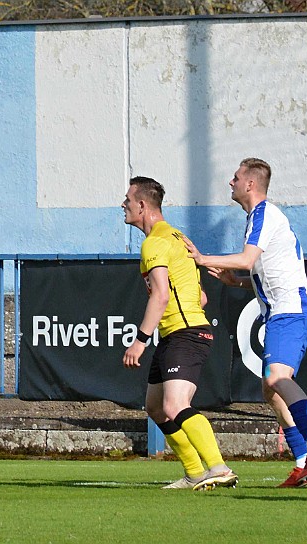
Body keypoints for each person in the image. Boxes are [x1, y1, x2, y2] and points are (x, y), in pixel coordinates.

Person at [187, 158, 307, 487]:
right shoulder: (260, 217)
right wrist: (235, 282)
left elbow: (247, 260)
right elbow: (266, 271)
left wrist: (202, 258)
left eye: (236, 177)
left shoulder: (265, 214)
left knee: (277, 377)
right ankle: (305, 464)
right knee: (270, 388)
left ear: (250, 184)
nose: (231, 182)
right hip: (284, 310)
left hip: (289, 311)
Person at [121, 176, 237, 491]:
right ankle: (194, 473)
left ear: (142, 206)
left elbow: (160, 296)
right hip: (180, 332)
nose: (124, 205)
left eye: (128, 200)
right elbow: (200, 298)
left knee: (174, 405)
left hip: (184, 334)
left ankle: (218, 467)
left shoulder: (155, 242)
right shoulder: (177, 238)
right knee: (156, 407)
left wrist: (140, 340)